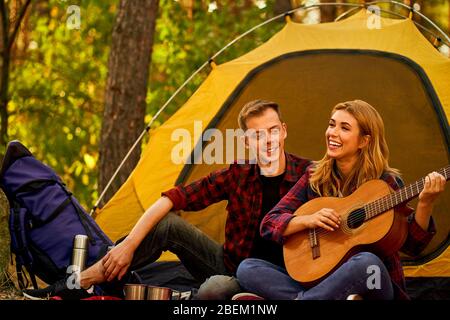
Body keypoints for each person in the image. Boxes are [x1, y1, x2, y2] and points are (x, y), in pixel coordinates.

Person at [24, 100, 311, 300]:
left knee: (213, 291)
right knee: (168, 224)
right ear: (247, 142)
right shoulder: (239, 174)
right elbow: (172, 199)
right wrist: (128, 247)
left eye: (273, 131)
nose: (269, 140)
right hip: (232, 265)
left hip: (282, 276)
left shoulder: (309, 175)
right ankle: (83, 280)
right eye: (258, 135)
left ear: (283, 130)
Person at [236, 100, 446, 300]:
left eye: (344, 128)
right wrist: (308, 220)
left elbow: (413, 247)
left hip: (371, 283)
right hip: (318, 279)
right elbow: (269, 223)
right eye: (331, 124)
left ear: (364, 140)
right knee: (247, 268)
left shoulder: (386, 182)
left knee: (366, 263)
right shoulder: (314, 175)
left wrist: (425, 203)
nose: (333, 133)